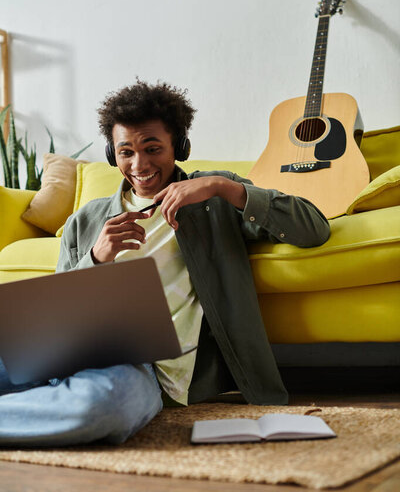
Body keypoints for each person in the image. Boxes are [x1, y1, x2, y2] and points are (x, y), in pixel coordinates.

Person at [0, 79, 330, 447]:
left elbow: (312, 228)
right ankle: (48, 400)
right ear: (112, 154)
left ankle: (49, 405)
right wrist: (96, 258)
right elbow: (53, 319)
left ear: (180, 147)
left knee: (103, 406)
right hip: (70, 353)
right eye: (125, 151)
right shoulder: (88, 219)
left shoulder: (213, 197)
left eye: (152, 148)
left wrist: (224, 187)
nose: (139, 164)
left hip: (139, 369)